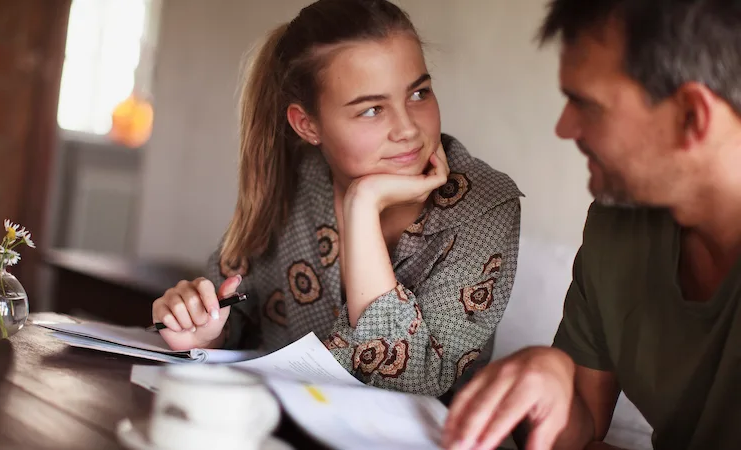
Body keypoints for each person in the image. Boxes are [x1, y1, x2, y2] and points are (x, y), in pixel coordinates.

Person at [150, 0, 522, 397]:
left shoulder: (486, 206)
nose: (408, 129)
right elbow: (237, 316)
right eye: (372, 109)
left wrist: (362, 205)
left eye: (418, 93)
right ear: (308, 125)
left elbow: (413, 381)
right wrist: (202, 331)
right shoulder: (293, 178)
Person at [444, 0, 741, 449]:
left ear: (691, 117)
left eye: (588, 105)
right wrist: (552, 379)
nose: (564, 128)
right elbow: (580, 433)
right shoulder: (618, 224)